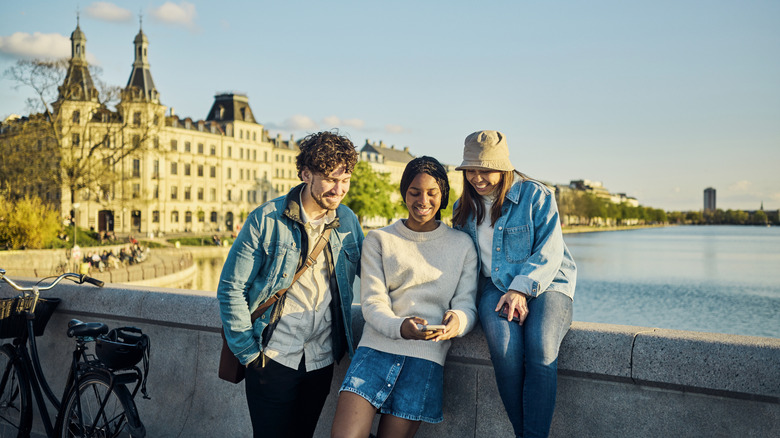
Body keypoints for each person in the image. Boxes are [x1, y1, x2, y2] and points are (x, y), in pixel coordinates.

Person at [217, 131, 364, 438]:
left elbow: (374, 272)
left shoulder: (348, 220)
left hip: (321, 360)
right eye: (330, 179)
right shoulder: (267, 219)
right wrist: (249, 355)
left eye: (346, 179)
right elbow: (231, 288)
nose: (339, 189)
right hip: (272, 357)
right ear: (306, 173)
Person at [331, 156, 478, 438]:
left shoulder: (463, 245)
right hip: (374, 351)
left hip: (426, 359)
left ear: (443, 194)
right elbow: (372, 303)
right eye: (414, 192)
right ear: (403, 193)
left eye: (432, 192)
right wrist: (400, 326)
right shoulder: (379, 239)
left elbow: (466, 305)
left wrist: (457, 321)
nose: (423, 200)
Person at [452, 130, 576, 438]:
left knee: (541, 349)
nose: (477, 178)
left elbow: (550, 251)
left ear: (504, 167)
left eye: (485, 170)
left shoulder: (537, 195)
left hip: (548, 284)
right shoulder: (462, 208)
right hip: (494, 285)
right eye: (471, 170)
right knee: (505, 352)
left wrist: (520, 288)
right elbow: (461, 260)